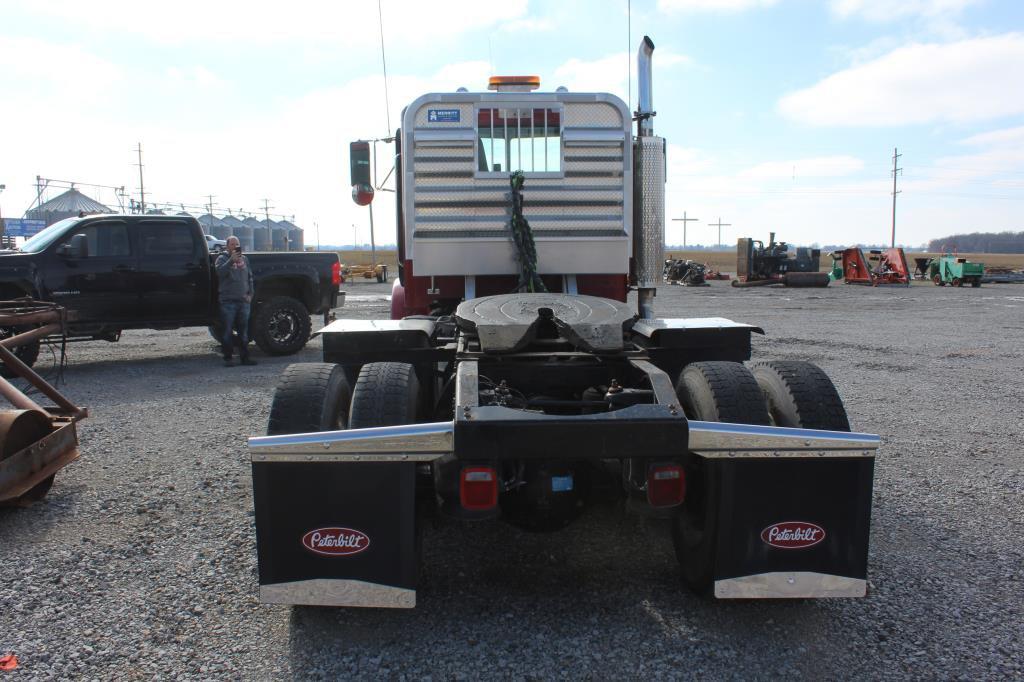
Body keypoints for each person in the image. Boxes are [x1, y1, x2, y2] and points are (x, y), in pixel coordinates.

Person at [215, 236, 256, 366]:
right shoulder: (222, 259)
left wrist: (251, 294)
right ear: (227, 246)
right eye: (232, 244)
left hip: (243, 301)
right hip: (228, 302)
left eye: (237, 244)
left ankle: (245, 358)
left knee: (243, 332)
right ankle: (228, 358)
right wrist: (231, 261)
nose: (235, 246)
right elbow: (219, 273)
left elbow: (250, 277)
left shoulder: (244, 259)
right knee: (227, 331)